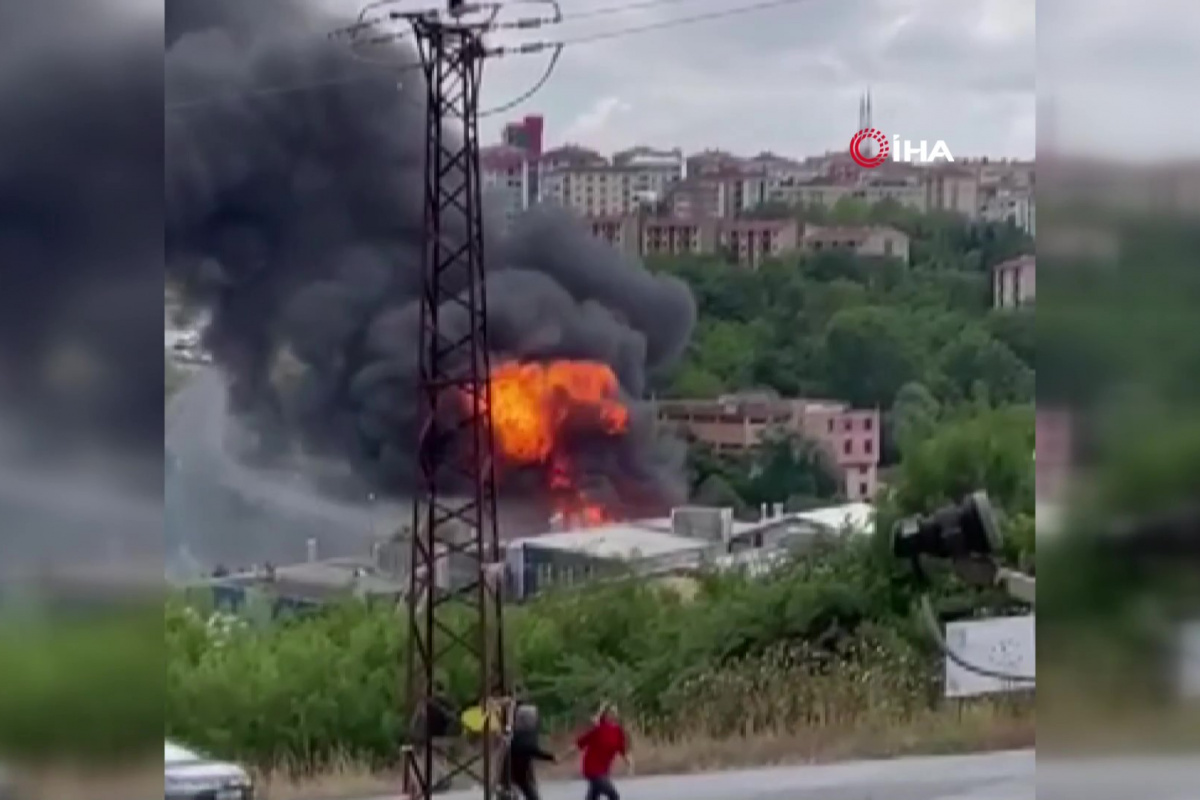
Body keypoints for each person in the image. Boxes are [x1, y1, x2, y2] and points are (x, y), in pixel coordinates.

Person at [573, 702, 632, 800]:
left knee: (593, 796)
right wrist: (561, 757)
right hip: (591, 768)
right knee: (613, 795)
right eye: (611, 711)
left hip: (604, 770)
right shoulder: (598, 729)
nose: (614, 713)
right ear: (606, 714)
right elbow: (578, 745)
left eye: (615, 711)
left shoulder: (618, 732)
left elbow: (622, 750)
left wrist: (629, 763)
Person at [503, 702, 556, 800]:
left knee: (525, 787)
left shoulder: (518, 732)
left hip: (517, 769)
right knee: (525, 788)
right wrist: (550, 757)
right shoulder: (524, 735)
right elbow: (532, 749)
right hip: (515, 771)